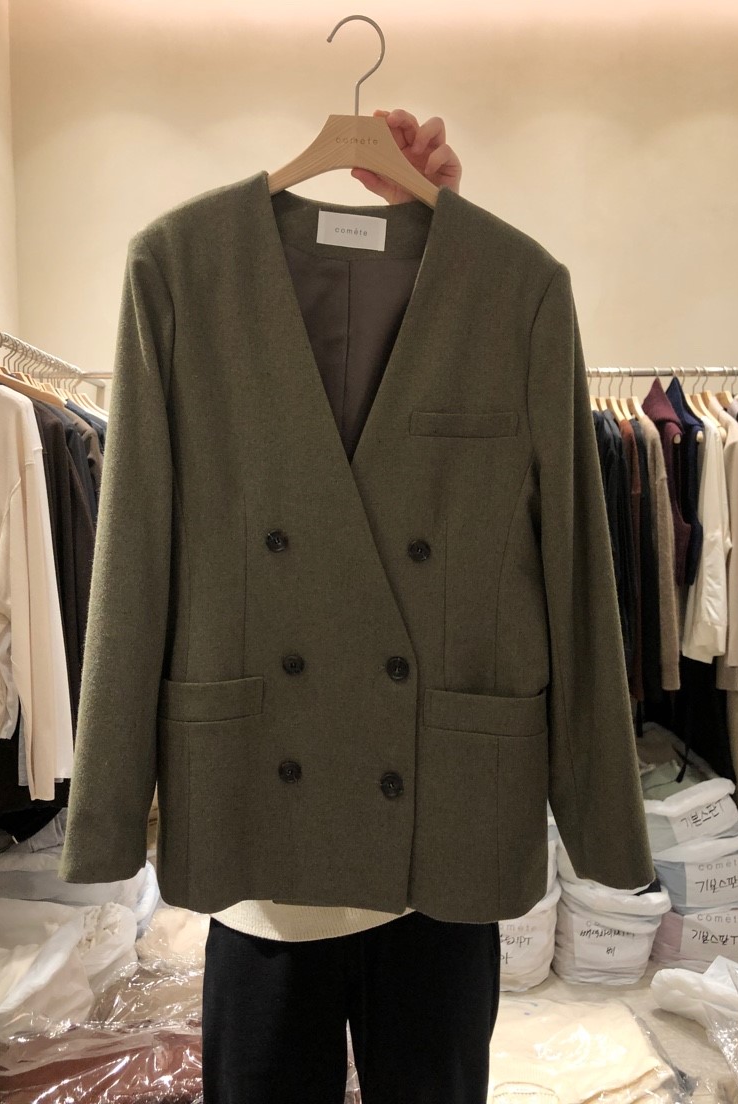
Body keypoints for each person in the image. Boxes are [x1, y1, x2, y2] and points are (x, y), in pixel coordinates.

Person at [201, 110, 500, 1104]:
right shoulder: (200, 306)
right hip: (264, 867)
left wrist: (444, 232)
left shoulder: (483, 313)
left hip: (435, 855)